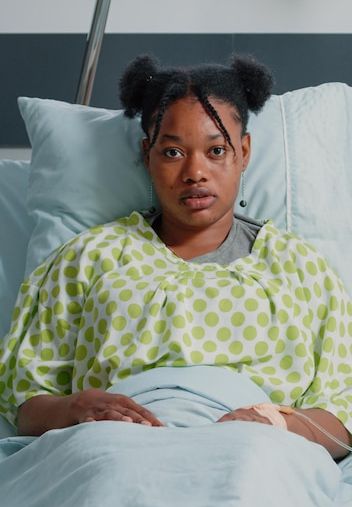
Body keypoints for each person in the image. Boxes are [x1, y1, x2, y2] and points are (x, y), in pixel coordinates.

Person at [0, 52, 352, 461]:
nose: (195, 172)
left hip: (254, 453)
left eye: (216, 151)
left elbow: (342, 415)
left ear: (244, 152)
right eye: (172, 152)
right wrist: (73, 409)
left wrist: (278, 424)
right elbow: (24, 399)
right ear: (148, 155)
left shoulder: (300, 270)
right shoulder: (90, 258)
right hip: (110, 449)